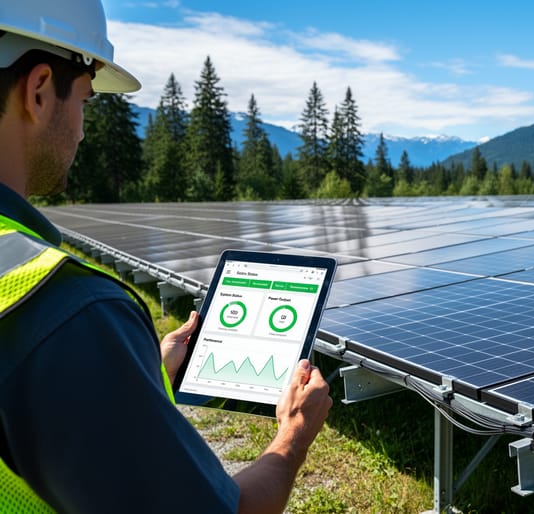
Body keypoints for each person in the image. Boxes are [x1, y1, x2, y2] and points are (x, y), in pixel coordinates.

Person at [0, 1, 332, 512]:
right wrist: (293, 436)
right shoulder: (65, 310)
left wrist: (140, 371)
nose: (84, 130)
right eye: (85, 102)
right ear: (40, 90)